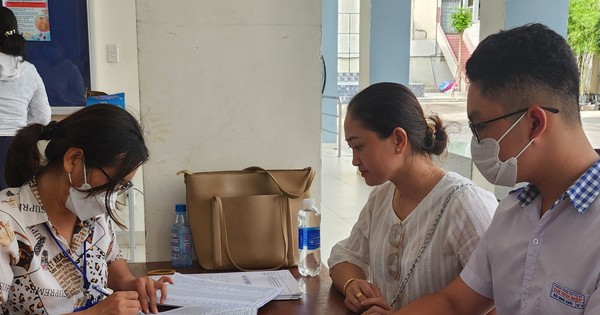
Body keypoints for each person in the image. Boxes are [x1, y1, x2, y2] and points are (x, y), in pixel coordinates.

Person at [365, 23, 600, 315]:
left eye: (481, 127)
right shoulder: (513, 212)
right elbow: (455, 303)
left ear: (535, 124)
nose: (477, 142)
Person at [328, 82, 498, 313]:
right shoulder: (382, 198)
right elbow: (345, 255)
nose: (355, 161)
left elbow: (498, 300)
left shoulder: (464, 204)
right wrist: (353, 286)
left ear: (398, 139)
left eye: (359, 147)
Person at [0, 104, 172, 314]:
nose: (114, 194)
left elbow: (110, 259)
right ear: (73, 160)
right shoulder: (6, 222)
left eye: (123, 186)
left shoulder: (91, 209)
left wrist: (129, 283)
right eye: (114, 182)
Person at [0, 6, 51, 190]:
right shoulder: (29, 70)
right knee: (13, 208)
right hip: (17, 148)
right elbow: (43, 116)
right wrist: (18, 125)